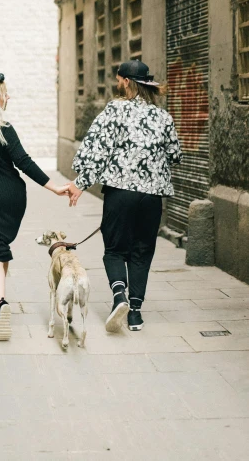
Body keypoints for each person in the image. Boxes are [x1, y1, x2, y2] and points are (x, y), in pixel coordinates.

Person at [67, 60, 182, 333]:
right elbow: (175, 156)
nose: (117, 85)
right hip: (152, 197)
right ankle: (136, 313)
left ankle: (119, 296)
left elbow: (96, 150)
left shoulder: (114, 111)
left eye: (119, 80)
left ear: (127, 82)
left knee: (115, 250)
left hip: (121, 193)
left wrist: (80, 184)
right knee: (142, 251)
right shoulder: (163, 116)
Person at [0, 71, 71, 341]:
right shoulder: (4, 128)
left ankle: (3, 301)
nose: (9, 97)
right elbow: (24, 162)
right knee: (0, 249)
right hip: (12, 197)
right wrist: (54, 187)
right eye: (6, 93)